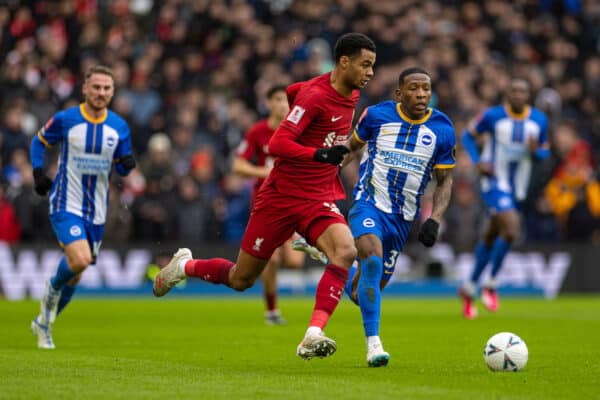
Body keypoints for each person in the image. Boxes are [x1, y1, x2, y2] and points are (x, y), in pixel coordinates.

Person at [154, 32, 376, 360]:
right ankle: (184, 266)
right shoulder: (315, 96)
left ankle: (312, 334)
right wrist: (318, 154)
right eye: (365, 65)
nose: (370, 73)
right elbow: (278, 144)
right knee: (241, 278)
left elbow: (291, 91)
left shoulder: (350, 92)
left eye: (372, 66)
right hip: (280, 197)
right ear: (344, 62)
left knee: (344, 251)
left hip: (316, 197)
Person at [341, 67, 455, 367]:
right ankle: (373, 345)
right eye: (414, 88)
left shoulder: (442, 128)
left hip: (403, 218)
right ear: (398, 93)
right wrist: (321, 185)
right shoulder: (377, 115)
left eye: (426, 89)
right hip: (368, 203)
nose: (420, 94)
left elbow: (445, 182)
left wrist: (435, 219)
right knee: (373, 259)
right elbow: (350, 150)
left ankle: (336, 263)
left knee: (362, 291)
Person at [29, 65, 136, 349]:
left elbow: (123, 164)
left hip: (97, 212)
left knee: (76, 275)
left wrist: (127, 166)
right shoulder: (67, 119)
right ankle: (50, 290)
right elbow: (38, 142)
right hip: (66, 202)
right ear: (85, 89)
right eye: (96, 87)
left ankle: (44, 323)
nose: (101, 93)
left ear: (112, 92)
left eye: (106, 88)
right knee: (80, 259)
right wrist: (38, 173)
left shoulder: (119, 127)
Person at [232, 85, 326, 325]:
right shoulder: (257, 132)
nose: (282, 105)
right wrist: (264, 171)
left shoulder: (299, 130)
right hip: (267, 204)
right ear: (268, 104)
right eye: (276, 100)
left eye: (286, 101)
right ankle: (272, 310)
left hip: (294, 201)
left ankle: (297, 241)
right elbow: (238, 166)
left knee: (294, 262)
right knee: (270, 261)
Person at [459, 78, 550, 319]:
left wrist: (535, 151)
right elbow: (467, 136)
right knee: (511, 230)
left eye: (523, 90)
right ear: (507, 94)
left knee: (491, 235)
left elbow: (544, 152)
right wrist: (478, 162)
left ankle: (468, 288)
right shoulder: (493, 116)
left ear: (528, 95)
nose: (519, 94)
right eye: (514, 90)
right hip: (494, 182)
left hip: (519, 187)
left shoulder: (539, 120)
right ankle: (491, 282)